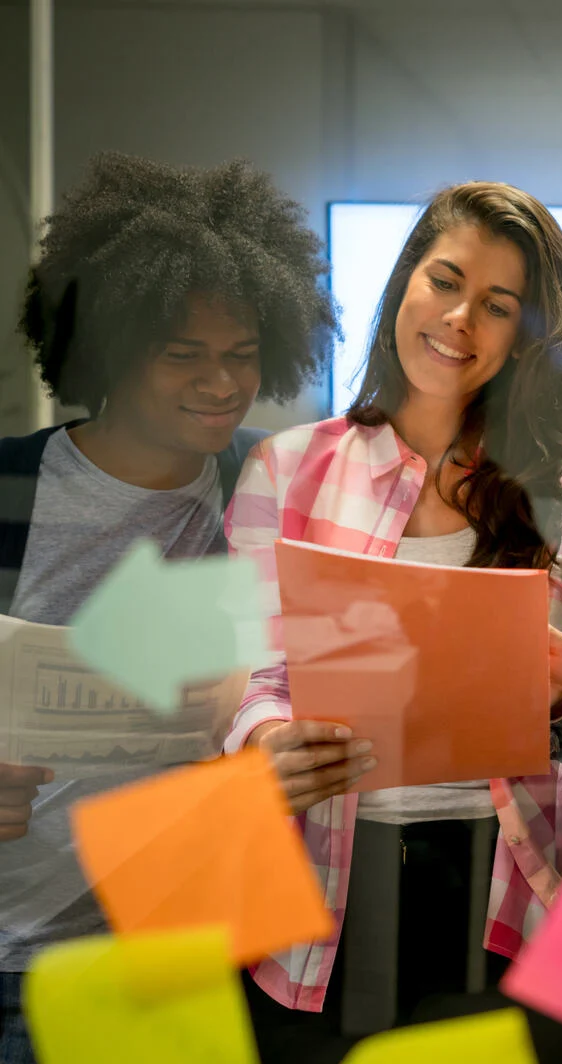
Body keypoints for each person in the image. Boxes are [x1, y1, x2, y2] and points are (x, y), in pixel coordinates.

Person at [224, 182, 562, 1064]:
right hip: (320, 885)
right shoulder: (286, 470)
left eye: (499, 306)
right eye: (445, 281)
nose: (460, 319)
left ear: (523, 340)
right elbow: (249, 675)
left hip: (501, 882)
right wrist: (264, 738)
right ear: (404, 284)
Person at [0, 151, 336, 1064]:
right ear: (108, 349)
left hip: (192, 953)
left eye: (241, 357)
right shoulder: (9, 488)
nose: (221, 385)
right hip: (17, 958)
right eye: (182, 356)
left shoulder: (260, 483)